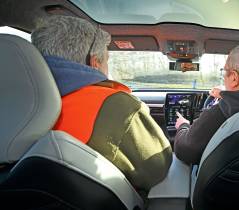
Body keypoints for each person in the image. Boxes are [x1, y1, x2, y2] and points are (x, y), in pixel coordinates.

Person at [31, 15, 172, 191]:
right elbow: (157, 170)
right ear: (95, 63)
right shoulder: (116, 105)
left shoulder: (12, 99)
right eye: (107, 60)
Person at [174, 41, 239, 165]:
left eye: (224, 71)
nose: (224, 76)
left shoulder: (220, 113)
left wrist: (183, 126)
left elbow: (185, 151)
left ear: (233, 78)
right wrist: (222, 94)